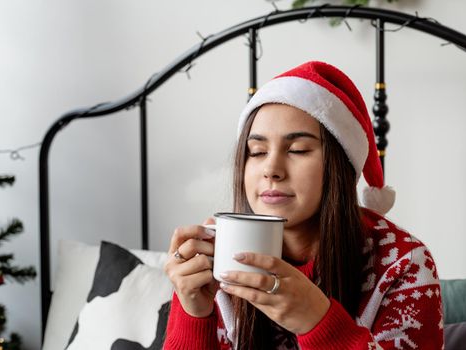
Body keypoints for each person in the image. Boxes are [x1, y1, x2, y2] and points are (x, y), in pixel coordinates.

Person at [163, 61, 443, 349]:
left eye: (297, 150)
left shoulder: (403, 263)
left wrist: (318, 322)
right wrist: (193, 316)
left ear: (339, 165)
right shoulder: (212, 257)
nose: (271, 169)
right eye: (257, 152)